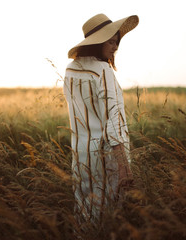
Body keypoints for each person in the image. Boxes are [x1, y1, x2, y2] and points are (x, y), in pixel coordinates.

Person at [63, 13, 139, 224]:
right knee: (108, 216)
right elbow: (114, 121)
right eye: (111, 41)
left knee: (84, 211)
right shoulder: (103, 70)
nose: (116, 47)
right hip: (106, 156)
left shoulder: (70, 70)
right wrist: (123, 166)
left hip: (80, 155)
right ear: (97, 42)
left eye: (117, 42)